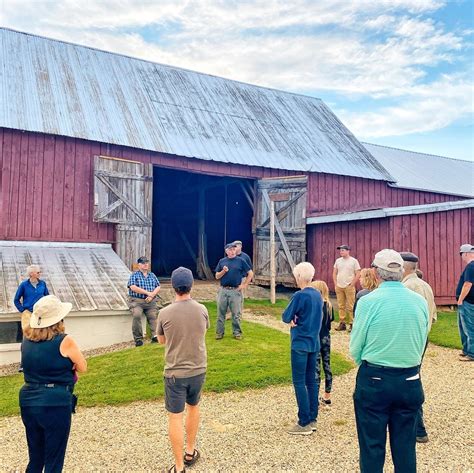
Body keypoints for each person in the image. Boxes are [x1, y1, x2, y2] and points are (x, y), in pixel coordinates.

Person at [350, 249, 429, 473]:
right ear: (402, 272)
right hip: (410, 377)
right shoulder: (419, 301)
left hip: (375, 377)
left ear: (376, 273)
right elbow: (422, 338)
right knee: (405, 446)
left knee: (372, 445)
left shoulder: (368, 301)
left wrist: (362, 360)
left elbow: (356, 345)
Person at [20, 295, 87, 472]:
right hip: (55, 400)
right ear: (59, 318)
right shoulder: (65, 341)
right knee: (54, 459)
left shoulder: (26, 340)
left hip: (28, 398)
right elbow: (83, 366)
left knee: (36, 457)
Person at [156, 267, 209, 473]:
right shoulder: (202, 309)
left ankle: (179, 466)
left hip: (175, 373)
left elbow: (161, 340)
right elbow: (203, 330)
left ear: (173, 287)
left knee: (175, 416)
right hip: (198, 369)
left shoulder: (164, 313)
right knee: (194, 407)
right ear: (191, 285)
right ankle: (190, 450)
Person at [400, 251, 437, 443]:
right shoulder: (426, 286)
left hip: (409, 340)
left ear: (403, 268)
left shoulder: (407, 288)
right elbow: (433, 316)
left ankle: (419, 428)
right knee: (412, 377)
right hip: (422, 337)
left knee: (409, 380)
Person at [282, 262, 323, 435]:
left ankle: (303, 420)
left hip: (300, 342)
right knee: (311, 381)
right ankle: (312, 417)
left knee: (299, 381)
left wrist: (293, 318)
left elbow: (285, 316)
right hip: (314, 342)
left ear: (299, 277)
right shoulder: (318, 294)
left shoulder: (300, 295)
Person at [215, 243, 253, 340]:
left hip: (235, 290)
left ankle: (237, 333)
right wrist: (223, 271)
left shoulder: (241, 261)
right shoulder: (222, 261)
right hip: (223, 290)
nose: (232, 251)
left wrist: (244, 285)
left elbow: (250, 273)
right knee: (220, 313)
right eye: (230, 249)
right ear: (226, 251)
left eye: (233, 249)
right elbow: (217, 276)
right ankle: (219, 333)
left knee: (236, 314)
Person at [127, 256, 161, 347]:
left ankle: (155, 336)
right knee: (137, 315)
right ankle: (138, 339)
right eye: (143, 263)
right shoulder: (134, 275)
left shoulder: (152, 275)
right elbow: (132, 287)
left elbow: (158, 286)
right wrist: (147, 293)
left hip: (150, 301)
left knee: (153, 316)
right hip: (137, 300)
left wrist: (152, 295)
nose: (145, 264)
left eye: (146, 262)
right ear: (139, 265)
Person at [311, 280, 334, 406]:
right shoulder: (329, 305)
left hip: (316, 338)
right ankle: (327, 395)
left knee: (316, 368)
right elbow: (329, 324)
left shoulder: (316, 305)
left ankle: (315, 396)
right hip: (326, 338)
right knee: (327, 365)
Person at [333, 245, 360, 332]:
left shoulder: (354, 261)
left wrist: (352, 284)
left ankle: (352, 323)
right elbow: (334, 272)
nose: (341, 252)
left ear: (348, 251)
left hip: (349, 286)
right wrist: (335, 283)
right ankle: (342, 323)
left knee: (350, 306)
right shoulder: (338, 261)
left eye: (343, 250)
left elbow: (358, 273)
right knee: (341, 305)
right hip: (339, 286)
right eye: (340, 250)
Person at [14, 265, 50, 331]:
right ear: (31, 274)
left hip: (41, 313)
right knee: (28, 333)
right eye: (38, 272)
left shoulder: (43, 283)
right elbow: (16, 300)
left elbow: (47, 297)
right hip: (28, 314)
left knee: (41, 333)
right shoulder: (23, 285)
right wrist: (23, 310)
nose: (40, 274)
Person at [456, 244, 474, 362]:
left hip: (467, 302)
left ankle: (472, 353)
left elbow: (467, 284)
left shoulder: (471, 266)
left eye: (461, 253)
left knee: (469, 327)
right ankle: (466, 349)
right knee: (463, 327)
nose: (461, 256)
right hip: (469, 301)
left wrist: (460, 299)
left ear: (466, 253)